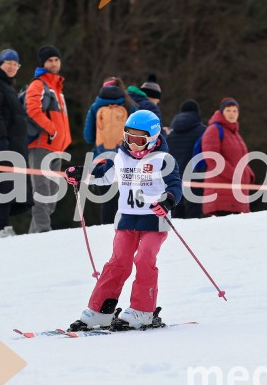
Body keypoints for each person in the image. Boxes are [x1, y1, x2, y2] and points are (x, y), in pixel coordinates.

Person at [64, 110, 182, 331]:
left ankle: (143, 311)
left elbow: (175, 185)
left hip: (154, 220)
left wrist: (167, 201)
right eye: (129, 137)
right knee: (119, 261)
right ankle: (101, 311)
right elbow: (101, 175)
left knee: (144, 258)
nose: (133, 144)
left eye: (139, 139)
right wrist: (81, 173)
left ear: (153, 138)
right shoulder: (120, 157)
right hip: (127, 219)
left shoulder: (163, 160)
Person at [25, 45, 71, 233]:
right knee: (42, 192)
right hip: (42, 145)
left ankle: (34, 235)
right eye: (50, 60)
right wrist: (52, 131)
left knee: (51, 195)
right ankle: (43, 232)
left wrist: (63, 139)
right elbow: (32, 109)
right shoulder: (39, 84)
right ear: (43, 63)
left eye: (56, 60)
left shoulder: (57, 88)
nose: (53, 63)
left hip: (57, 148)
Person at [0, 49, 29, 238]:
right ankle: (0, 227)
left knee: (10, 183)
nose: (12, 67)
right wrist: (1, 137)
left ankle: (4, 225)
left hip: (13, 143)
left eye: (15, 64)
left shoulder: (6, 84)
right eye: (8, 63)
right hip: (2, 143)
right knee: (1, 183)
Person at [83, 77, 136, 224]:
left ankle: (106, 230)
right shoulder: (129, 106)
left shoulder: (95, 107)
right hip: (126, 160)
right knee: (126, 200)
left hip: (102, 159)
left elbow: (88, 137)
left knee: (107, 203)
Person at [202, 97, 255, 217]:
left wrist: (248, 175)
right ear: (222, 112)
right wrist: (235, 175)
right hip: (221, 195)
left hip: (237, 194)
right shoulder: (214, 129)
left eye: (234, 111)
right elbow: (212, 158)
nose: (231, 114)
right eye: (228, 110)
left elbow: (242, 159)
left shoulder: (235, 133)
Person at [166, 99, 207, 217]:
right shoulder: (203, 131)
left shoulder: (171, 133)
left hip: (175, 178)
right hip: (195, 178)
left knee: (177, 213)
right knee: (194, 214)